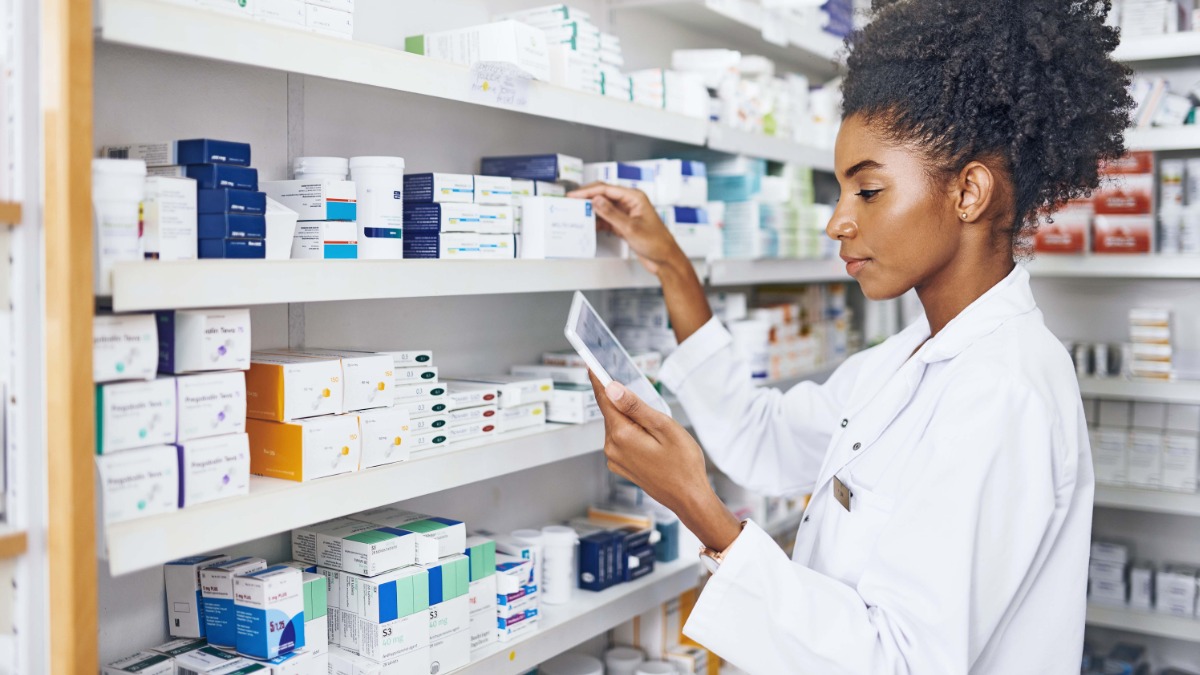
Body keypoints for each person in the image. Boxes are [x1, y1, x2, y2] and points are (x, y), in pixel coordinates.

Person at [568, 0, 1133, 672]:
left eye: (867, 191)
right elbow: (761, 436)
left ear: (970, 192)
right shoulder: (909, 357)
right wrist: (669, 263)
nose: (837, 221)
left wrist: (697, 503)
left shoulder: (1003, 392)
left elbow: (899, 661)